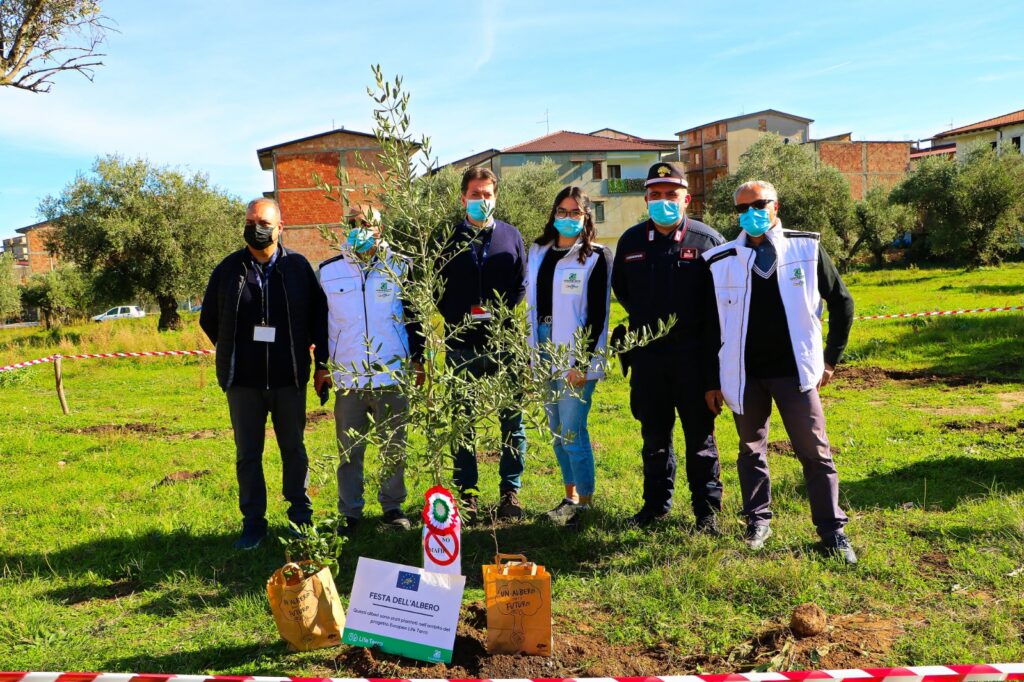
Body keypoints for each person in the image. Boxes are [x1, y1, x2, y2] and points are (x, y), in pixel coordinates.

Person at [702, 180, 857, 564]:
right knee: (750, 450)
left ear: (775, 206)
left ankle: (832, 532)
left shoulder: (805, 248)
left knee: (815, 451)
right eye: (741, 208)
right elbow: (707, 326)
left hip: (795, 374)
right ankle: (758, 522)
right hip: (744, 374)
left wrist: (831, 359)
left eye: (758, 204)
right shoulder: (722, 259)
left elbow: (842, 302)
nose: (749, 213)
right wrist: (712, 378)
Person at [200, 198, 329, 550]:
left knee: (294, 449)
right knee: (248, 454)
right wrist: (234, 350)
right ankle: (253, 523)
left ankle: (300, 515)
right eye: (250, 221)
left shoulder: (298, 268)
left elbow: (319, 319)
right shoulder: (228, 270)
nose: (256, 227)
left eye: (263, 222)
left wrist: (322, 364)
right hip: (243, 383)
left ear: (280, 228)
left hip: (289, 379)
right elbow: (209, 318)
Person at [611, 161, 725, 531]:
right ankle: (655, 507)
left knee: (700, 442)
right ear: (646, 199)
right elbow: (623, 292)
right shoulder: (629, 242)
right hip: (648, 362)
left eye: (671, 195)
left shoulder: (707, 242)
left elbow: (721, 309)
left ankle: (706, 513)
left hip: (695, 362)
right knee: (654, 440)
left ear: (686, 199)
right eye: (656, 195)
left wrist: (714, 376)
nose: (663, 202)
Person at [318, 205, 424, 535]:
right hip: (348, 377)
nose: (357, 228)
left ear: (379, 228)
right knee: (349, 450)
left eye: (364, 223)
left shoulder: (401, 267)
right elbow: (321, 325)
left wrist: (420, 361)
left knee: (394, 446)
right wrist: (321, 366)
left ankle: (393, 508)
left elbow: (414, 318)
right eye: (351, 223)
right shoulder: (328, 271)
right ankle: (350, 512)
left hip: (391, 375)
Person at [436, 167, 528, 522]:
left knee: (512, 421)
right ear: (463, 198)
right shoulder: (446, 236)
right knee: (462, 422)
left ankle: (510, 492)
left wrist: (500, 316)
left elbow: (521, 284)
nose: (482, 200)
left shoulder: (510, 235)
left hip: (504, 343)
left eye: (487, 194)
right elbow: (434, 286)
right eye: (475, 194)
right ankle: (469, 496)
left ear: (496, 198)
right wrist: (458, 317)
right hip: (460, 345)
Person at [526, 186, 612, 530]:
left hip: (576, 354)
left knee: (573, 430)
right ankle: (570, 497)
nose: (567, 218)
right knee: (556, 430)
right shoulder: (538, 251)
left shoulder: (596, 256)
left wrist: (582, 362)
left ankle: (587, 504)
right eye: (561, 211)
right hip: (542, 346)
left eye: (575, 212)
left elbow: (598, 315)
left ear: (586, 217)